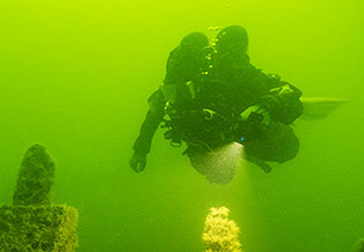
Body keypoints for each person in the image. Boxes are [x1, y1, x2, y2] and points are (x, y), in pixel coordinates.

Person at [130, 26, 303, 183]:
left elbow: (289, 92)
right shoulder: (179, 86)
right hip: (207, 145)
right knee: (220, 177)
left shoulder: (234, 76)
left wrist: (266, 107)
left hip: (240, 135)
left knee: (288, 148)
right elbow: (154, 112)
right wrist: (140, 150)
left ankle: (265, 128)